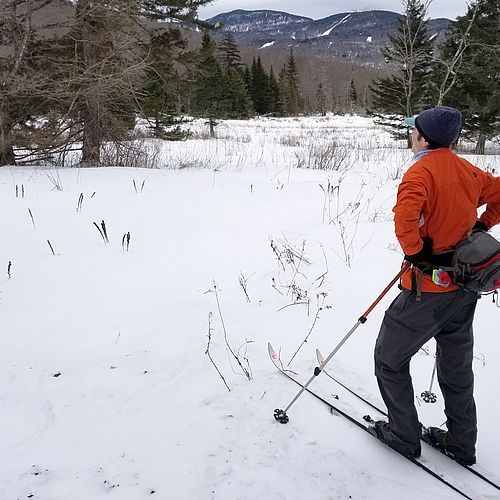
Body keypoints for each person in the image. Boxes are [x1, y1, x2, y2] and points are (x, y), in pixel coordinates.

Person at [372, 105, 500, 465]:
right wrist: (482, 225)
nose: (410, 135)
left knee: (389, 360)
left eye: (414, 130)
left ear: (423, 137)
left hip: (427, 291)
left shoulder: (419, 173)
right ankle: (461, 442)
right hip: (466, 289)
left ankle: (403, 435)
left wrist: (416, 252)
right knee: (456, 365)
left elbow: (404, 218)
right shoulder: (467, 169)